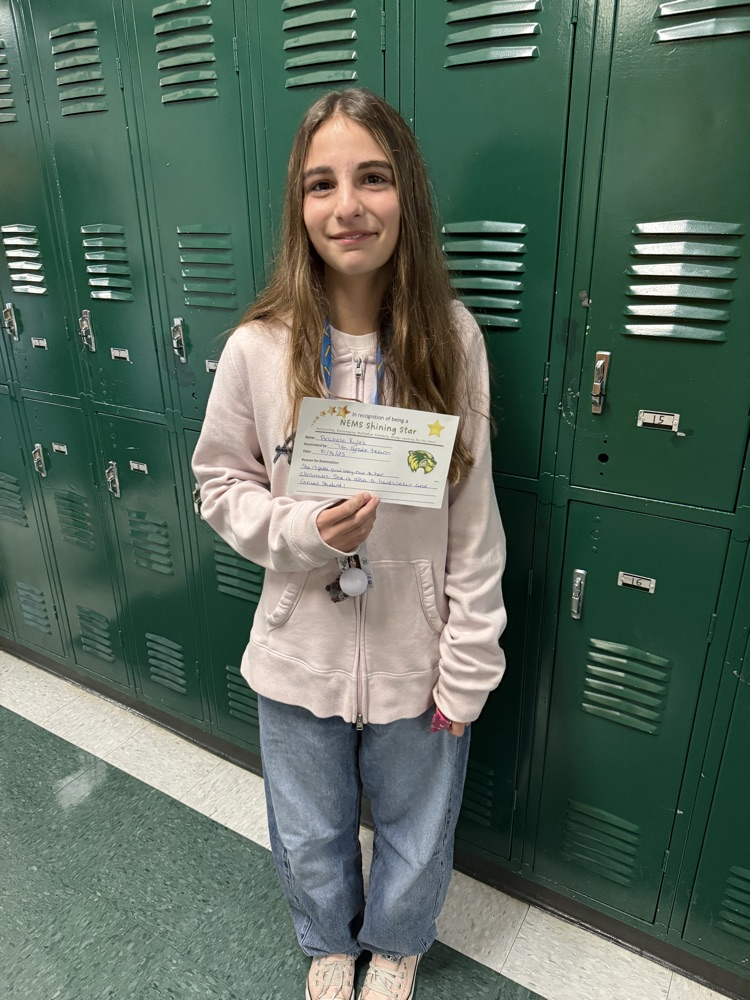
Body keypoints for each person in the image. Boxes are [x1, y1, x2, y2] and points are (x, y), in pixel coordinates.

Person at [192, 88, 507, 1000]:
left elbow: (475, 518)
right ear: (300, 206)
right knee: (308, 824)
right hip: (298, 651)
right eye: (321, 184)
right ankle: (329, 940)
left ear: (405, 191)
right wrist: (301, 531)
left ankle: (399, 944)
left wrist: (469, 661)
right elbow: (219, 484)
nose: (348, 205)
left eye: (372, 178)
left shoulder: (452, 340)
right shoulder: (259, 347)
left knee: (420, 825)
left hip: (421, 654)